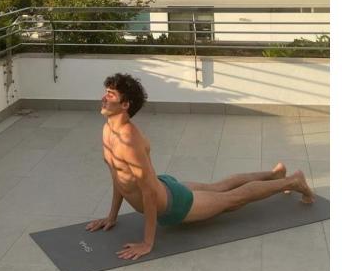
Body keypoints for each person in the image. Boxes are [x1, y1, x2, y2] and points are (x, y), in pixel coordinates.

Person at [88, 73, 315, 260]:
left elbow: (147, 193)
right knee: (219, 187)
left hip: (174, 205)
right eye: (105, 92)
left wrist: (148, 242)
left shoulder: (130, 142)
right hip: (164, 188)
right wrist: (112, 217)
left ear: (125, 104)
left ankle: (292, 181)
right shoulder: (108, 130)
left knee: (232, 199)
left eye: (110, 95)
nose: (103, 98)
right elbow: (119, 178)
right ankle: (274, 174)